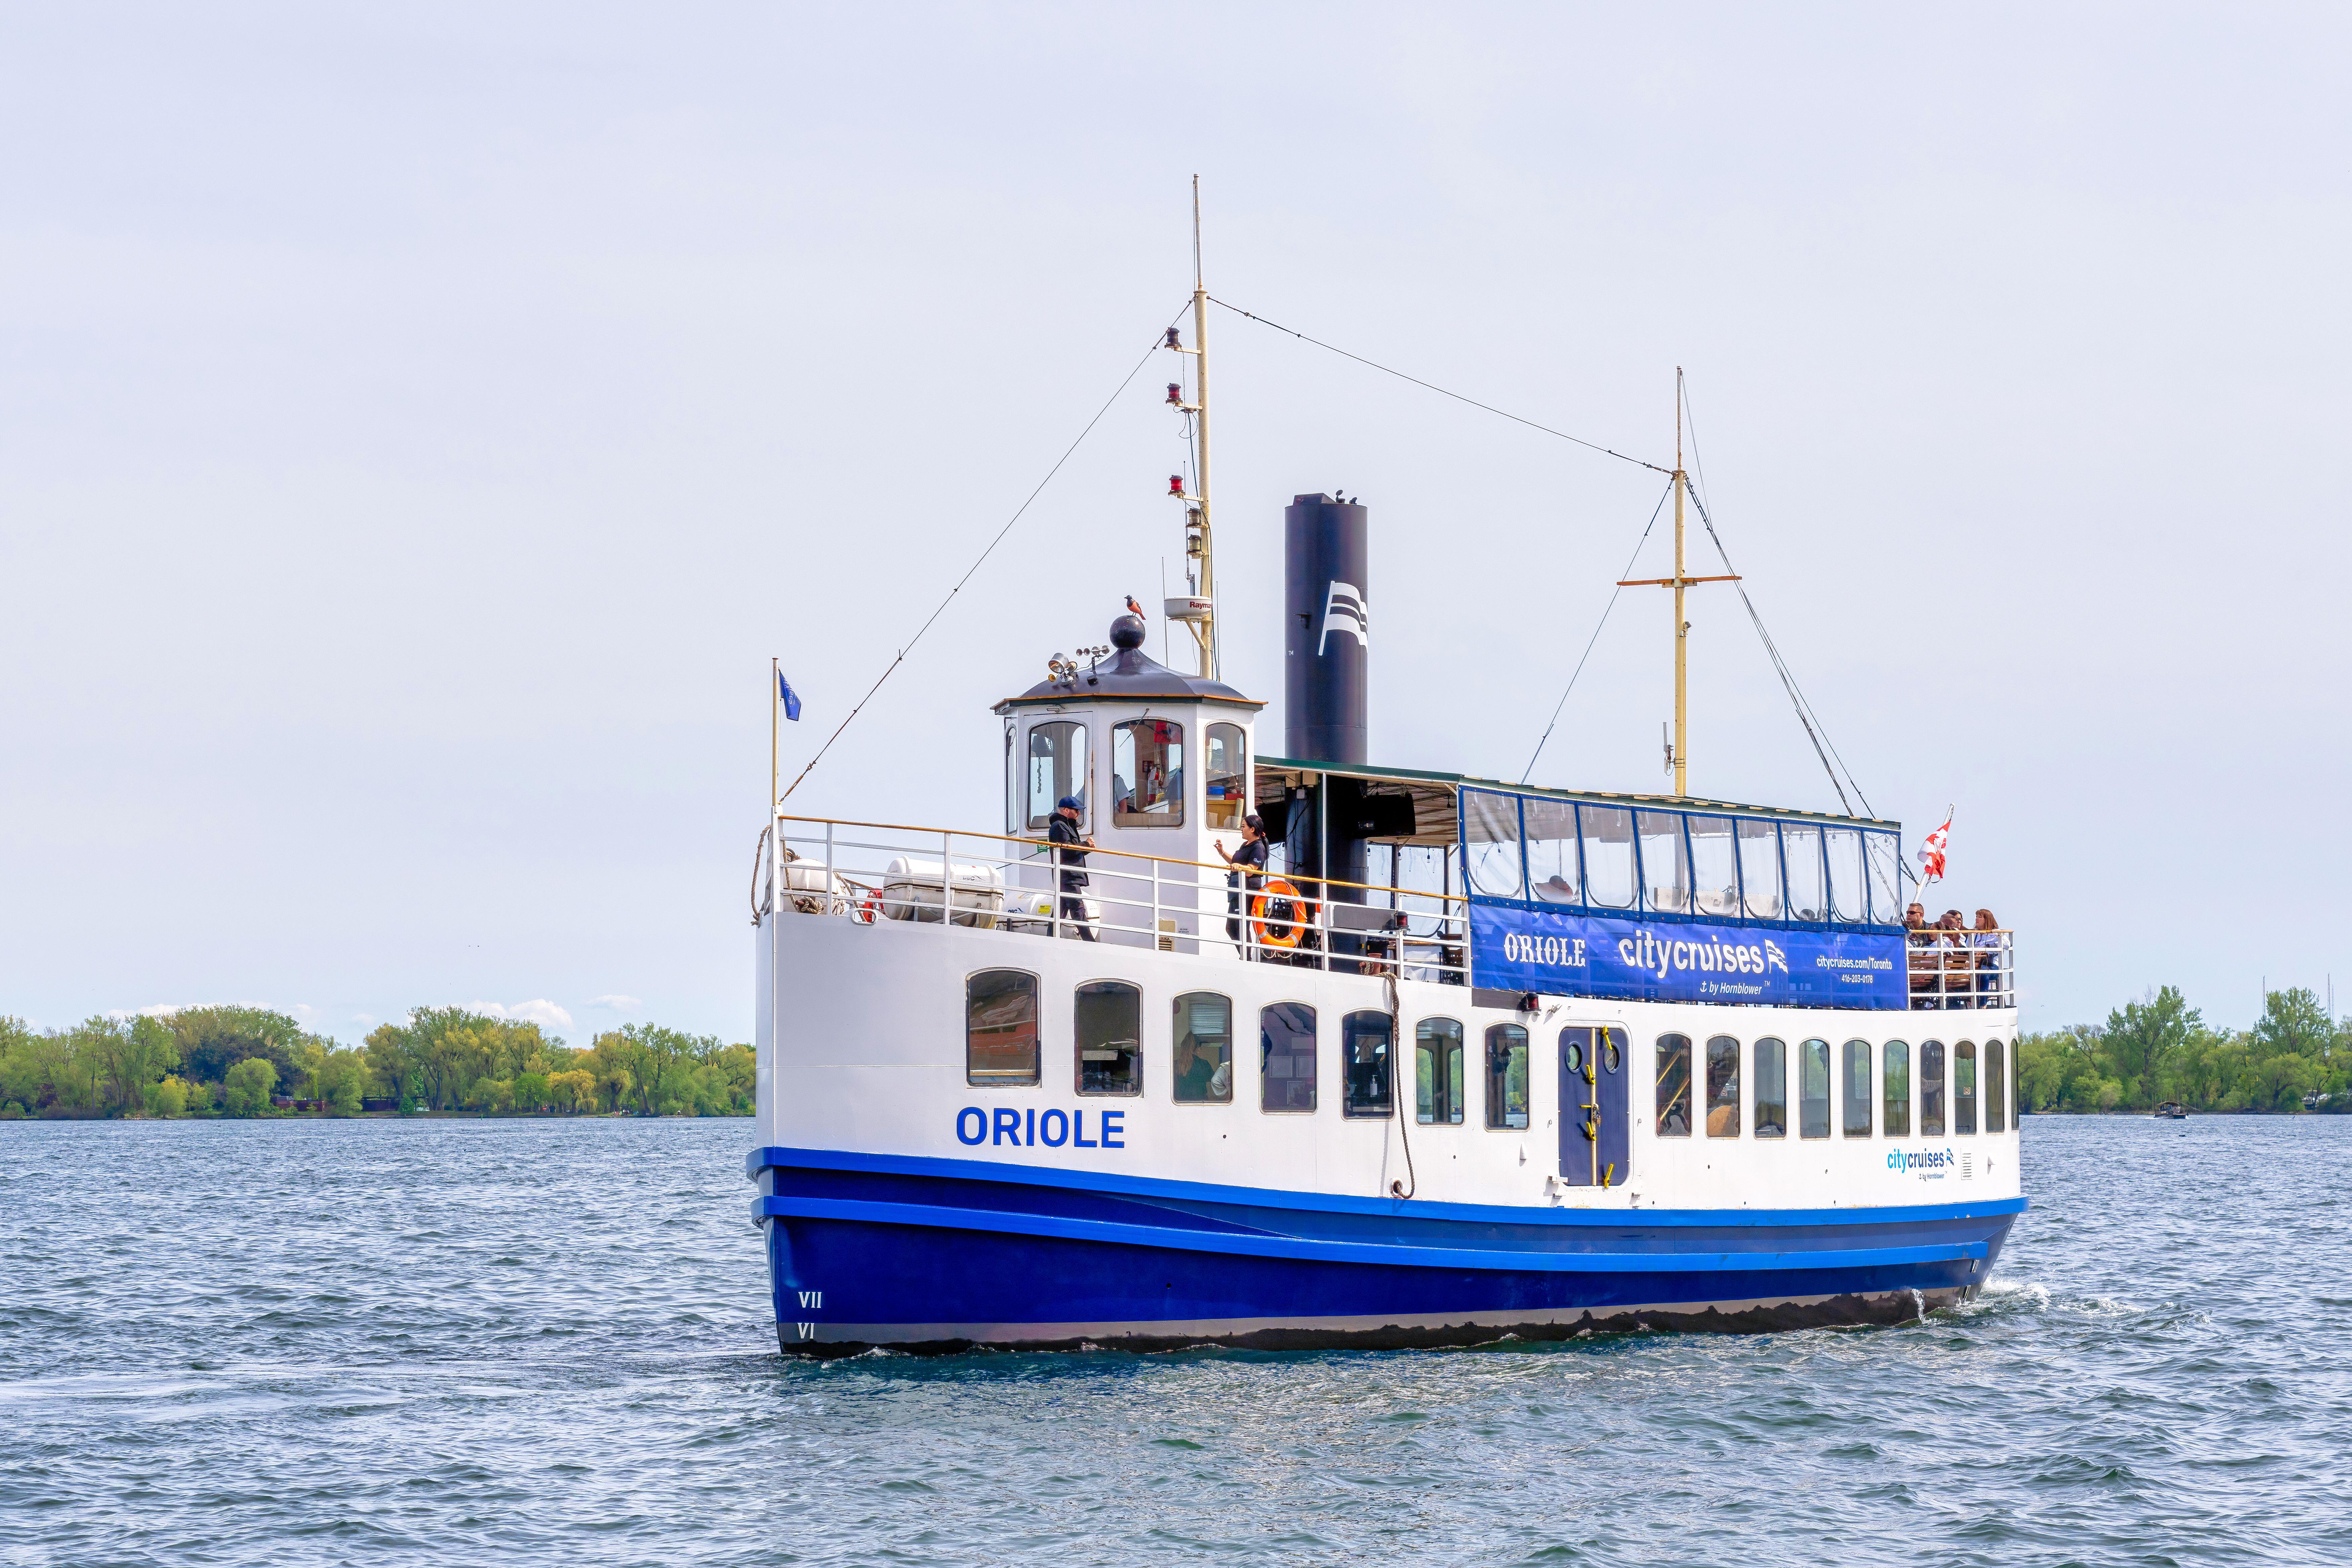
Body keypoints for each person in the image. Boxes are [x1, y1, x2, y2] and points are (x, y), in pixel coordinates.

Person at [1215, 812, 1269, 957]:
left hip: (1247, 891)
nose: (1241, 829)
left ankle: (1246, 959)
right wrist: (1222, 852)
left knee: (1241, 927)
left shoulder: (1258, 847)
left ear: (1252, 829)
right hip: (1236, 891)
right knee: (1231, 928)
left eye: (1243, 827)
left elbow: (1252, 870)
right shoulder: (1246, 845)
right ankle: (1245, 957)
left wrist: (1240, 867)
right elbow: (1235, 861)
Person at [1048, 796, 1096, 942]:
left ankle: (1049, 939)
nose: (1079, 814)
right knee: (1078, 909)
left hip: (1069, 875)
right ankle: (1091, 943)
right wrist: (1086, 845)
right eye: (1077, 811)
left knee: (1061, 909)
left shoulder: (1067, 826)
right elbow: (1067, 850)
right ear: (1067, 810)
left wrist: (1088, 847)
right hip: (1068, 876)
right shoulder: (1059, 826)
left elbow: (1073, 849)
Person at [1904, 903, 1938, 1006]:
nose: (1908, 915)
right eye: (1907, 913)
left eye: (1912, 913)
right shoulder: (1904, 929)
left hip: (1926, 972)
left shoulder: (1930, 930)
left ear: (1921, 915)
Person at [1938, 909, 1971, 1008]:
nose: (1959, 922)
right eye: (1957, 920)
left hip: (1948, 977)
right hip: (1960, 976)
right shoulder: (1962, 939)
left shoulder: (1943, 941)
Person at [1973, 909, 2003, 1006]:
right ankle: (1970, 1002)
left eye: (1980, 917)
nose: (1977, 919)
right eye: (1976, 916)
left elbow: (2007, 944)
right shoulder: (1975, 934)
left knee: (1984, 974)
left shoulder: (1995, 933)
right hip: (1976, 964)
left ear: (1987, 920)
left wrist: (1988, 948)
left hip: (1991, 965)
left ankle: (1983, 1004)